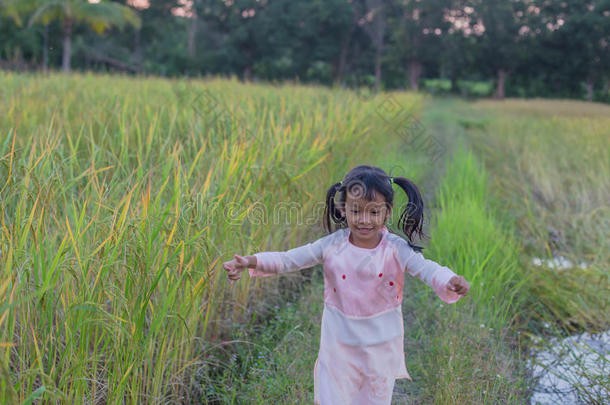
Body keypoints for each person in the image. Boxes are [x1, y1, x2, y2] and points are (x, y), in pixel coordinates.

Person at [223, 165, 470, 404]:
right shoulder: (332, 246)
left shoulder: (395, 249)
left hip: (380, 348)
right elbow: (289, 259)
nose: (364, 220)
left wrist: (449, 279)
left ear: (388, 211)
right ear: (343, 209)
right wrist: (249, 261)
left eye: (374, 212)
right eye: (356, 211)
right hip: (338, 347)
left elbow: (425, 268)